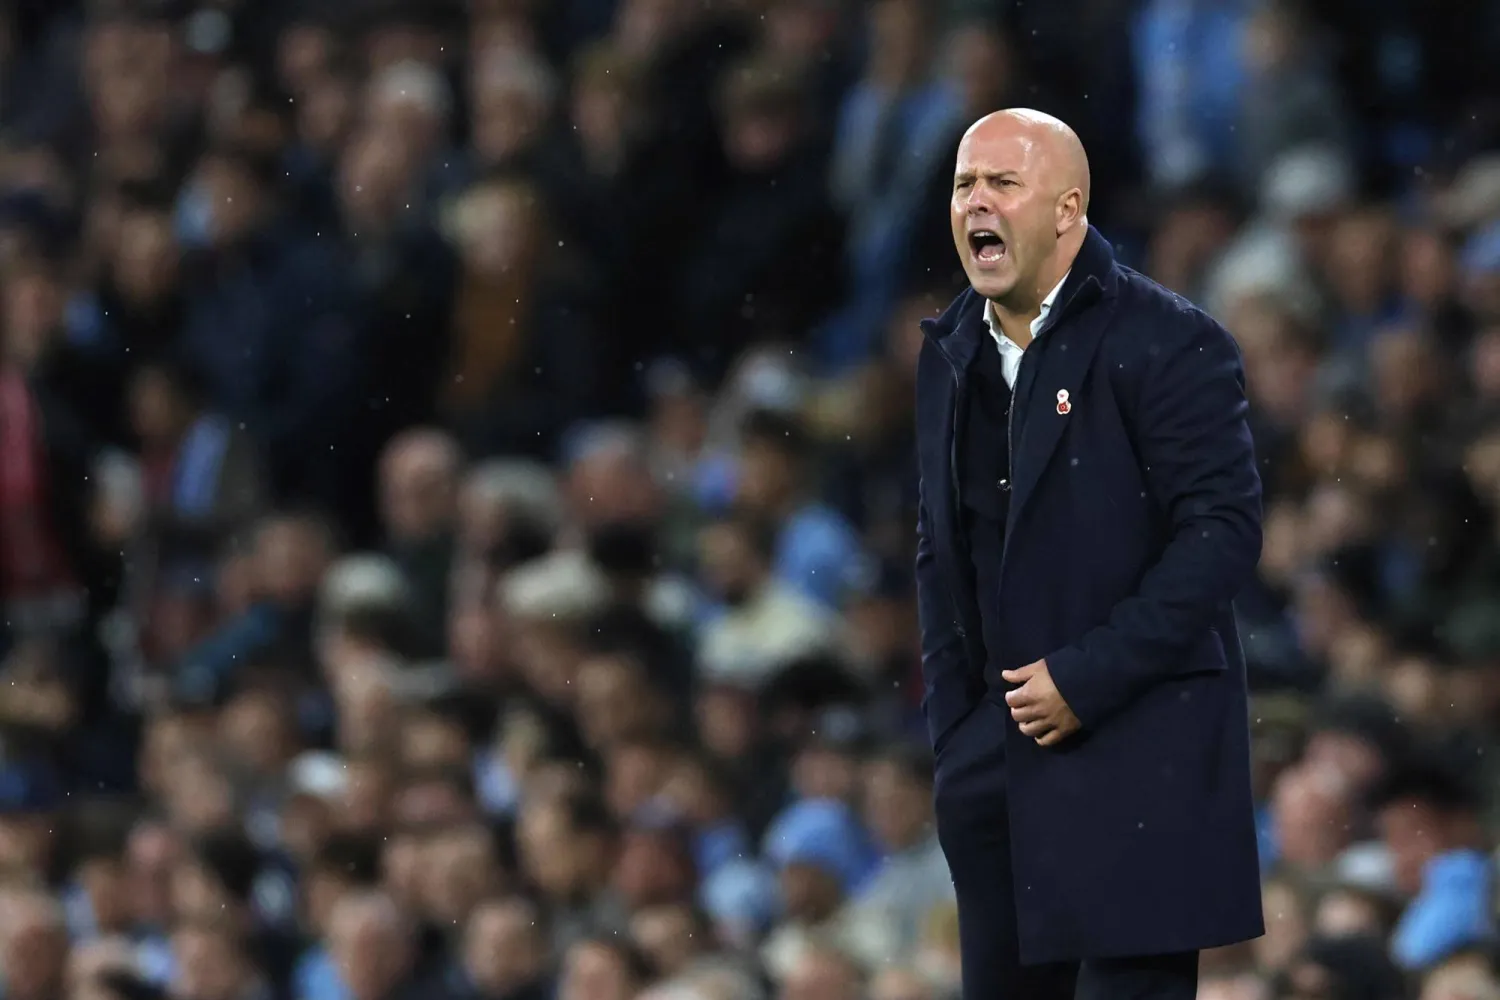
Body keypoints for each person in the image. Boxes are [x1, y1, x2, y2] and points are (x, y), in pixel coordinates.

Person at [913, 108, 1265, 999]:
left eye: (1003, 183)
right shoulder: (949, 350)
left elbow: (1221, 534)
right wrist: (958, 735)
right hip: (997, 773)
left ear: (1068, 210)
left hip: (1137, 760)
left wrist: (1088, 676)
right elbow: (938, 549)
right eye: (964, 185)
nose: (976, 203)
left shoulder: (1168, 339)